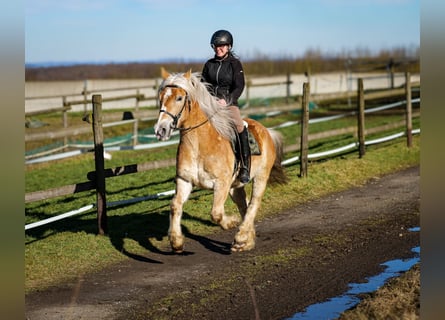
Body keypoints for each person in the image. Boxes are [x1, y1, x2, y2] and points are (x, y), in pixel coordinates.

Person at [201, 29, 250, 183]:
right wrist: (208, 99)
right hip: (210, 103)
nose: (218, 48)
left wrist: (226, 100)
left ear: (229, 46)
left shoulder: (235, 64)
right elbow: (203, 85)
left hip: (228, 103)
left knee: (238, 126)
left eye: (222, 45)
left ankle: (245, 166)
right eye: (216, 46)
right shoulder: (209, 64)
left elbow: (239, 86)